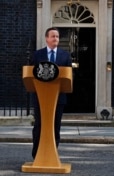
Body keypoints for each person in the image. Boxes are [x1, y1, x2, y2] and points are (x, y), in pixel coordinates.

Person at [31, 27, 72, 159]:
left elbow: (69, 75)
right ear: (47, 38)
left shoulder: (65, 56)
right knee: (39, 126)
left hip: (58, 98)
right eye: (53, 36)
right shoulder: (37, 55)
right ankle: (37, 155)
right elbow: (31, 74)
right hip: (40, 98)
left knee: (55, 127)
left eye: (57, 37)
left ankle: (52, 154)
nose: (56, 39)